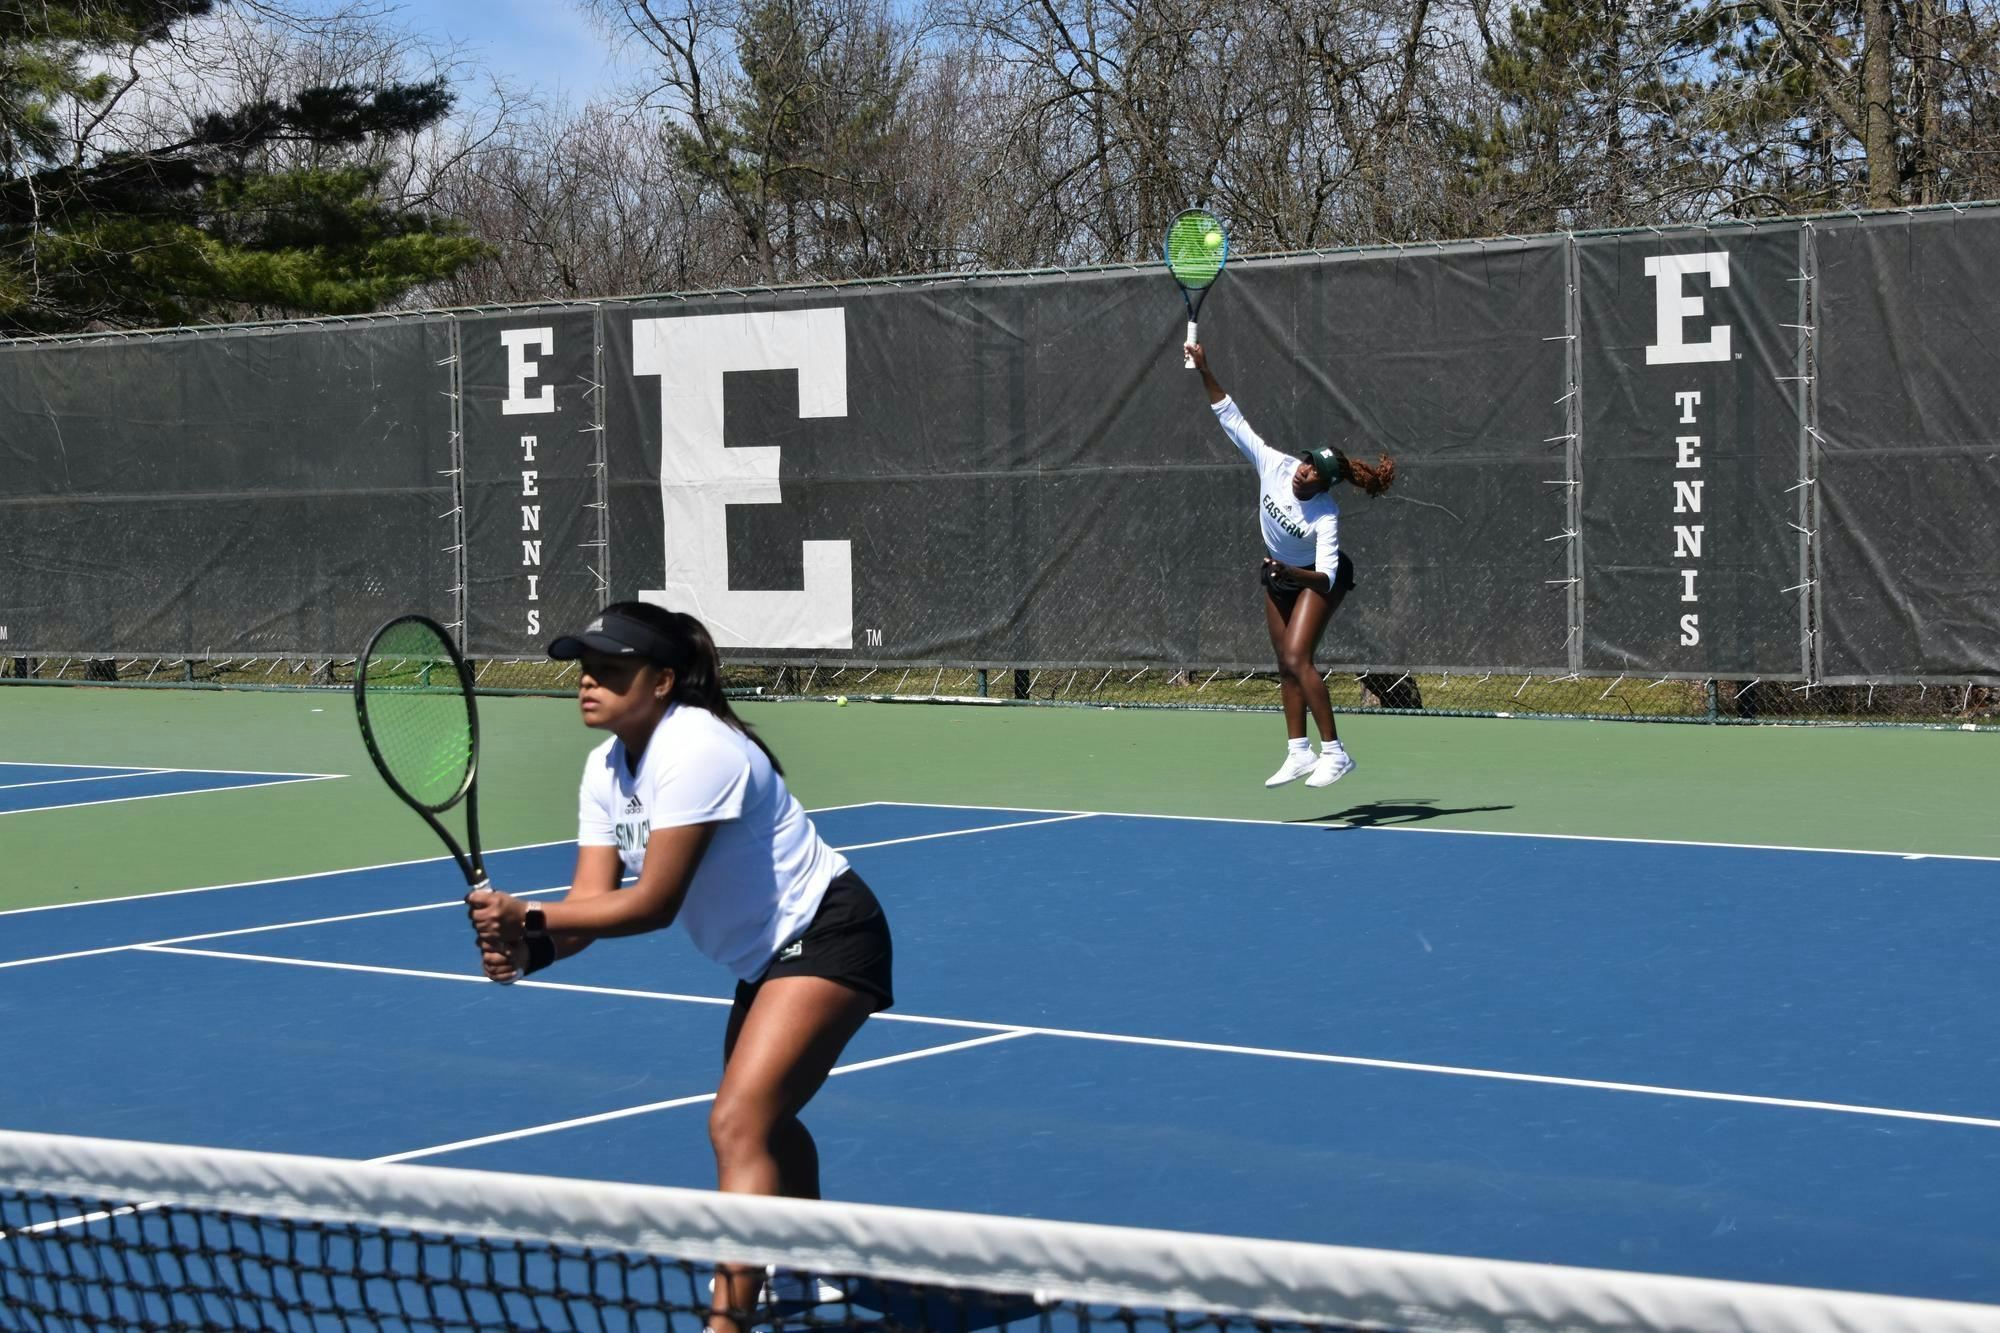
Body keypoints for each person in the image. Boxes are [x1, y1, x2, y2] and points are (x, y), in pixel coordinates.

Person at [465, 601, 892, 1333]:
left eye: (610, 669)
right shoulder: (605, 769)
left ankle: (725, 1324)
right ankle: (810, 1267)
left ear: (662, 681)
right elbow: (588, 911)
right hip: (765, 956)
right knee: (768, 1121)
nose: (588, 682)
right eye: (584, 669)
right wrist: (529, 950)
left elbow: (654, 904)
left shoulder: (698, 748)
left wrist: (527, 915)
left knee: (738, 1121)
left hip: (828, 930)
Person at [1186, 340, 1396, 788]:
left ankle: (1335, 753)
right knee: (1283, 662)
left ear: (1325, 484)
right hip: (1281, 573)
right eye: (1305, 463)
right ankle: (1298, 752)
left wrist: (1290, 574)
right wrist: (1205, 368)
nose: (1303, 471)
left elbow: (1326, 576)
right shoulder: (1274, 465)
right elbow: (1230, 416)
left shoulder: (1325, 515)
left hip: (1318, 581)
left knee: (1300, 657)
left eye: (1313, 471)